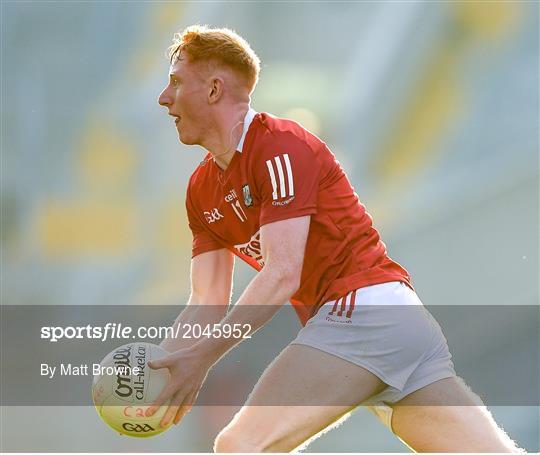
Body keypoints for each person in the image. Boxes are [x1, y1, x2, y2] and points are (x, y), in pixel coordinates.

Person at [146, 24, 522, 452]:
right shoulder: (201, 189)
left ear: (214, 89)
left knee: (241, 446)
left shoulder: (280, 147)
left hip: (364, 313)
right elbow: (206, 301)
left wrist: (200, 358)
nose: (164, 97)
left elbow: (282, 274)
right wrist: (162, 366)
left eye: (176, 82)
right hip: (383, 323)